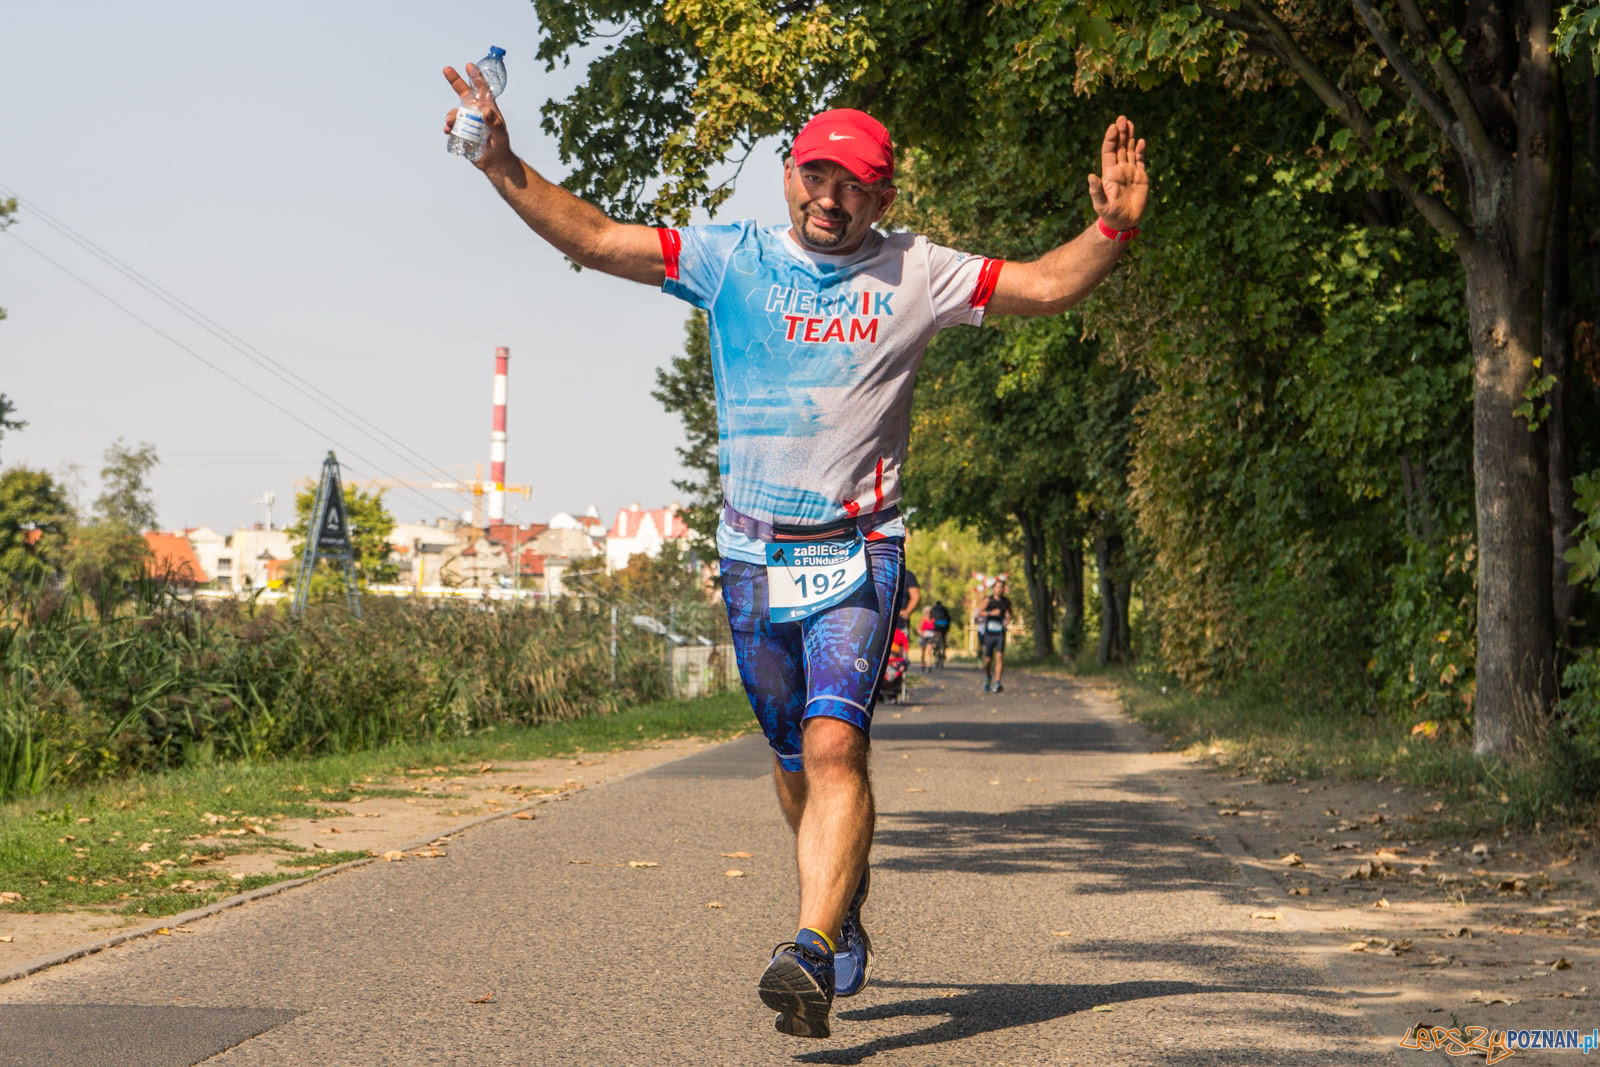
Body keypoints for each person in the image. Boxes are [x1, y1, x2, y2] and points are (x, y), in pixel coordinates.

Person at [442, 65, 1147, 1040]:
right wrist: (498, 160)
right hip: (751, 553)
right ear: (788, 178)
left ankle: (809, 945)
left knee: (833, 743)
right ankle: (840, 896)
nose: (831, 196)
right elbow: (597, 238)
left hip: (860, 548)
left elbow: (1045, 284)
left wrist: (1112, 226)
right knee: (788, 754)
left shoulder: (916, 273)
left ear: (883, 196)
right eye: (817, 175)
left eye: (854, 183)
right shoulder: (732, 260)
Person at [979, 577, 1013, 692]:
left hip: (1000, 633)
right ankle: (988, 677)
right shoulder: (988, 600)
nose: (999, 589)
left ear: (1003, 589)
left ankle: (998, 682)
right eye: (997, 587)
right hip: (989, 633)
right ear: (994, 588)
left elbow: (1009, 614)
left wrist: (1007, 620)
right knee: (987, 660)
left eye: (1001, 587)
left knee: (999, 656)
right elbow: (980, 612)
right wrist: (991, 613)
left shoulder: (1006, 602)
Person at [928, 600, 951, 668]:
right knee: (943, 638)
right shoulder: (944, 609)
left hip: (936, 626)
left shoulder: (933, 609)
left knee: (935, 638)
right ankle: (943, 649)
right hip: (944, 626)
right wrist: (948, 628)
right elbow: (949, 618)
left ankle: (935, 648)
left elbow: (930, 618)